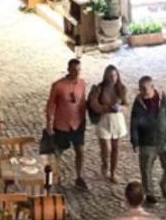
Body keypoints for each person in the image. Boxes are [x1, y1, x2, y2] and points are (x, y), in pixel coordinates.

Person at [129, 75, 166, 205]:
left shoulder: (163, 99)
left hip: (164, 140)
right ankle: (149, 194)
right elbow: (134, 123)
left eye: (144, 88)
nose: (142, 91)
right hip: (146, 142)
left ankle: (164, 184)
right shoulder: (138, 103)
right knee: (146, 170)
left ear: (152, 87)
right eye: (140, 88)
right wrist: (134, 141)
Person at [45, 57, 88, 189]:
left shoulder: (82, 84)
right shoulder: (58, 85)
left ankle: (79, 177)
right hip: (62, 124)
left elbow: (83, 101)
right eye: (74, 70)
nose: (77, 72)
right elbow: (51, 104)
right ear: (68, 69)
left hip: (78, 123)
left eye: (79, 70)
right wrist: (49, 123)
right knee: (58, 151)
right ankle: (56, 175)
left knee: (80, 150)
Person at [88, 65, 128, 183]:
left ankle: (113, 172)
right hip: (104, 120)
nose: (113, 78)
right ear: (106, 76)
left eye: (115, 75)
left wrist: (121, 108)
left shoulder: (121, 89)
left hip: (117, 120)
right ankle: (105, 165)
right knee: (106, 149)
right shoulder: (99, 88)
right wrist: (107, 108)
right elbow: (93, 104)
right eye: (110, 75)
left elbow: (126, 105)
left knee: (116, 148)